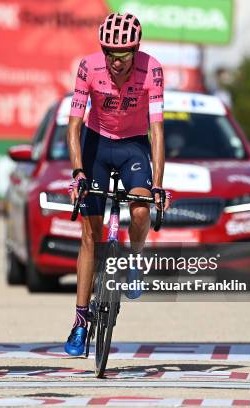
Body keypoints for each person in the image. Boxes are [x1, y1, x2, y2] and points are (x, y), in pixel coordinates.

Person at [65, 13, 171, 356]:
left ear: (136, 50)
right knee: (90, 236)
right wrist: (78, 171)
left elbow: (157, 130)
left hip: (133, 145)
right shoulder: (88, 66)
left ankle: (136, 260)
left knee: (140, 209)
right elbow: (73, 126)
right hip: (96, 143)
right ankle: (80, 322)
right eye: (109, 52)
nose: (115, 61)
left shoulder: (152, 69)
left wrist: (158, 184)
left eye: (122, 54)